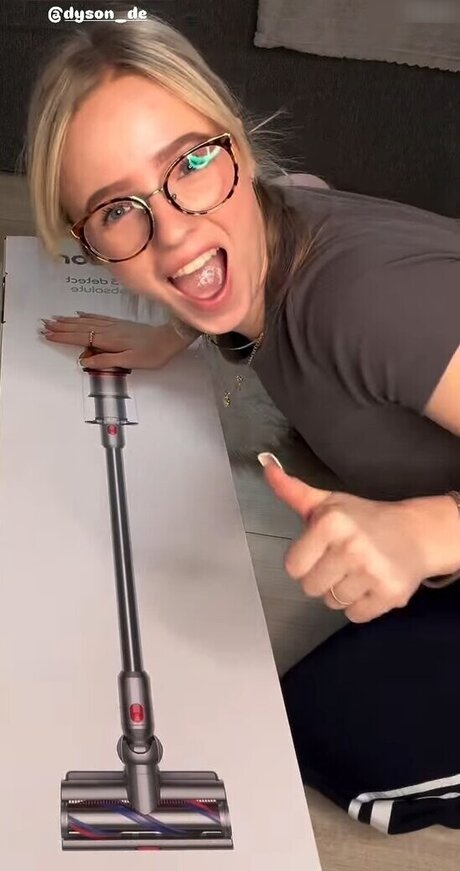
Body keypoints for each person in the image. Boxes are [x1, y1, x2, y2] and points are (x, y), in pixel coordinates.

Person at [26, 15, 460, 836]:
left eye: (189, 163)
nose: (174, 232)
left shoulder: (357, 301)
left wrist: (429, 533)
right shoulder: (270, 222)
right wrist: (172, 334)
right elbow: (229, 227)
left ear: (239, 147)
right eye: (119, 209)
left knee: (351, 745)